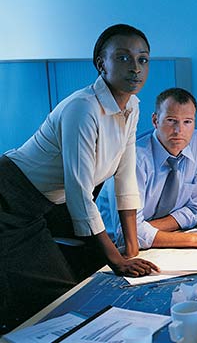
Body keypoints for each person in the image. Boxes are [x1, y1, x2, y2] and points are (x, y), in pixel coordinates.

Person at [0, 24, 158, 332]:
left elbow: (125, 177)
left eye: (143, 59)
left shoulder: (132, 106)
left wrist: (132, 247)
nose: (136, 68)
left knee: (72, 285)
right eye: (123, 58)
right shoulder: (83, 108)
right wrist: (118, 261)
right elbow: (79, 193)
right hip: (9, 197)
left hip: (43, 205)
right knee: (51, 297)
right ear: (102, 63)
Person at [97, 88, 197, 250]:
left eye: (187, 122)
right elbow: (126, 236)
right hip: (111, 250)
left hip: (162, 240)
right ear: (155, 121)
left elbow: (196, 209)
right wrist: (196, 240)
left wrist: (146, 230)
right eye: (171, 120)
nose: (179, 131)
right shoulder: (133, 159)